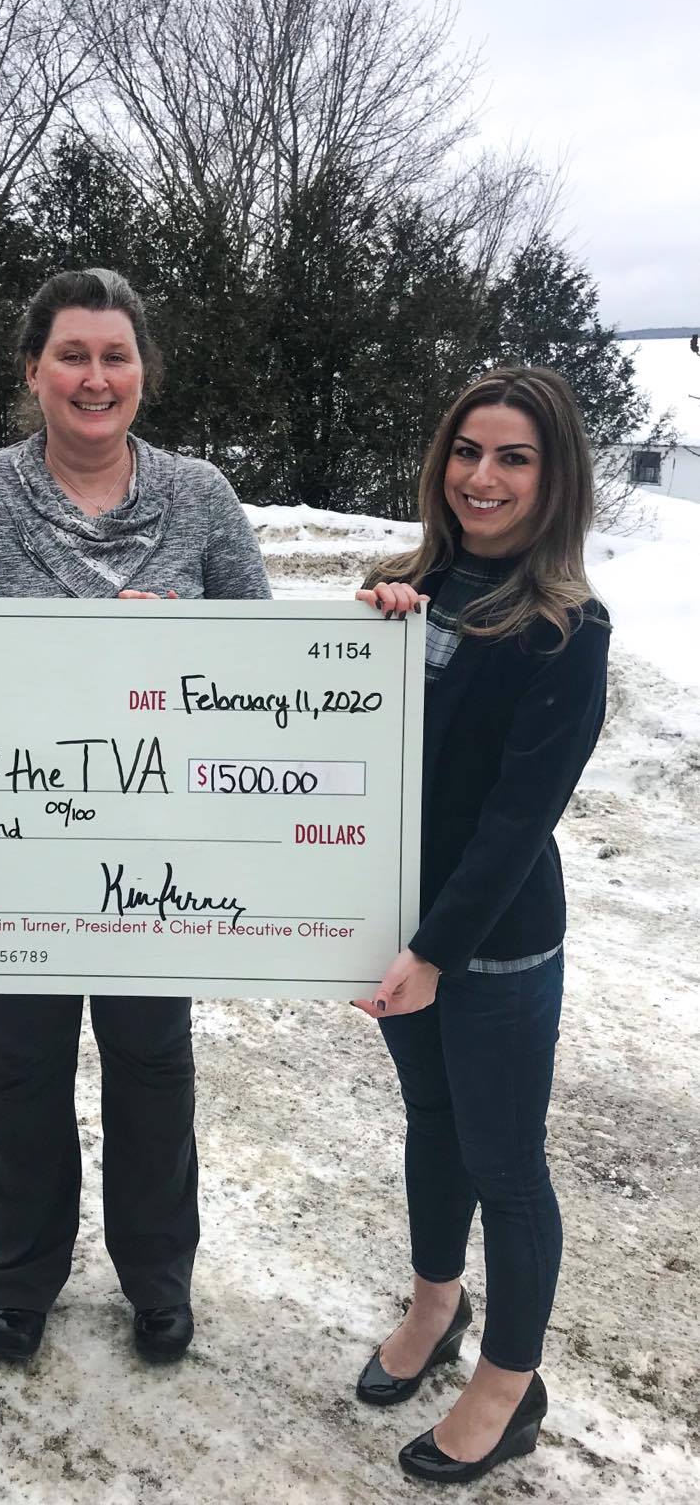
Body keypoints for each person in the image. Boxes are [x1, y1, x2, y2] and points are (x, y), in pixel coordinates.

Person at [0, 267, 271, 1365]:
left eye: (115, 357)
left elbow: (264, 671)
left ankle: (158, 1279)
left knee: (153, 1065)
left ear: (142, 374)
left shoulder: (201, 499)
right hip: (17, 848)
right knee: (24, 1066)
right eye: (72, 355)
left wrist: (186, 652)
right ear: (34, 371)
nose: (94, 377)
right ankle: (24, 1278)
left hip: (158, 852)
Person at [351, 368, 610, 1484]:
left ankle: (510, 1382)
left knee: (505, 1161)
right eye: (467, 452)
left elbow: (515, 819)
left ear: (554, 480)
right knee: (431, 1119)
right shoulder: (410, 589)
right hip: (397, 927)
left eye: (513, 458)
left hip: (491, 942)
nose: (483, 477)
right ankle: (434, 1305)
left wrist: (436, 953)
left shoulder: (565, 628)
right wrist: (363, 643)